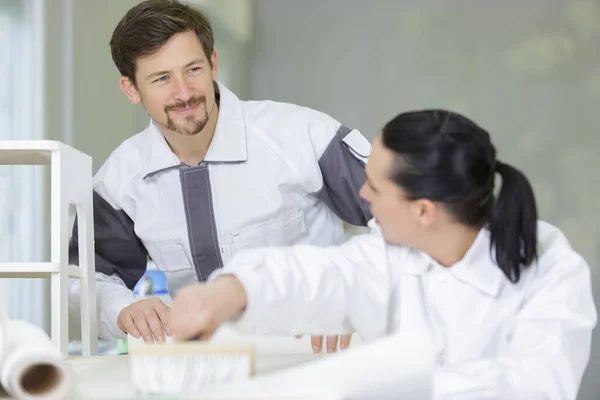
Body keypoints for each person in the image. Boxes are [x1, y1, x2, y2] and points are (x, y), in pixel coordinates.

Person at [169, 109, 597, 398]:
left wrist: (383, 377)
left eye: (375, 186)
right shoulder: (396, 254)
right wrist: (230, 291)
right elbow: (321, 274)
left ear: (423, 211)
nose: (361, 193)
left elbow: (534, 386)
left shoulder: (554, 271)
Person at [67, 0, 373, 353]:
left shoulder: (306, 136)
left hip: (314, 356)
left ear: (213, 63)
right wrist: (120, 307)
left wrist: (348, 296)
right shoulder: (118, 180)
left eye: (193, 69)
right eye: (162, 78)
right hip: (203, 366)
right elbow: (85, 278)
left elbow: (404, 227)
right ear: (132, 89)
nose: (184, 93)